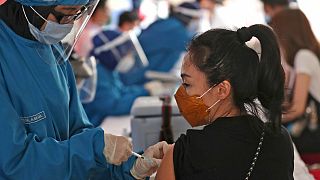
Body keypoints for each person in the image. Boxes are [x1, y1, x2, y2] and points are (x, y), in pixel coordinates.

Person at [0, 0, 169, 179]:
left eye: (77, 14)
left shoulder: (53, 49)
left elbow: (78, 132)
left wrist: (128, 168)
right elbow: (15, 163)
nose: (69, 23)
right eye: (66, 12)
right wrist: (94, 148)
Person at [156, 25, 294, 179]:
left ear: (222, 90)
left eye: (187, 84)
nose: (181, 93)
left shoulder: (182, 155)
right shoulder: (280, 140)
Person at [270, 9, 320, 154]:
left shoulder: (303, 56)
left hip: (311, 136)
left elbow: (297, 109)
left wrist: (269, 123)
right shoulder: (302, 57)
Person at [119, 2, 200, 86]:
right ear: (189, 17)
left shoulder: (163, 23)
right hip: (141, 78)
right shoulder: (178, 31)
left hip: (132, 74)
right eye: (196, 19)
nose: (196, 22)